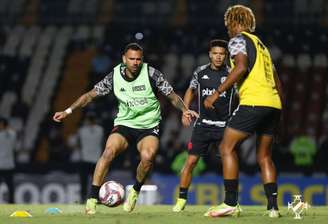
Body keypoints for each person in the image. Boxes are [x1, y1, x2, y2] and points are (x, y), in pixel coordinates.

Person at [53, 43, 198, 215]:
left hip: (148, 126)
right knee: (108, 152)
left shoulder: (152, 74)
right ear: (124, 59)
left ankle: (135, 191)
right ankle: (92, 199)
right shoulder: (114, 75)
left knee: (148, 157)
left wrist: (184, 109)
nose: (135, 62)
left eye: (138, 59)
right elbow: (90, 95)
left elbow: (172, 96)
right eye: (131, 59)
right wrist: (68, 111)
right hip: (124, 124)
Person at [204, 5, 284, 218]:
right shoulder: (263, 47)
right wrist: (279, 116)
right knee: (264, 156)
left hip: (254, 102)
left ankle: (230, 203)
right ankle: (273, 208)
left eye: (228, 25)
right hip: (273, 104)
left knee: (226, 147)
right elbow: (277, 82)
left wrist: (216, 93)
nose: (228, 30)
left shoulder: (238, 39)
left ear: (234, 22)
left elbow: (240, 67)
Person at [172, 39, 236, 212]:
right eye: (215, 53)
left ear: (226, 55)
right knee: (191, 161)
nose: (218, 57)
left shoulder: (232, 73)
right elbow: (191, 90)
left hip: (225, 126)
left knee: (229, 162)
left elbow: (241, 96)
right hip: (203, 125)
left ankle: (231, 202)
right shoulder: (200, 72)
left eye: (222, 54)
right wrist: (185, 110)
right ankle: (181, 200)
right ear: (209, 54)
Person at [76, 113, 104, 203]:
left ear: (87, 121)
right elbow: (103, 143)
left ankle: (83, 199)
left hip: (85, 159)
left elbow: (78, 144)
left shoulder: (81, 130)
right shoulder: (100, 130)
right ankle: (98, 198)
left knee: (83, 181)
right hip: (97, 160)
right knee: (97, 180)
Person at [0, 117, 17, 203]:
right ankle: (12, 202)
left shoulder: (10, 134)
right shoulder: (12, 134)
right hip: (8, 165)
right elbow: (14, 147)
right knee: (10, 186)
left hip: (6, 165)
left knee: (10, 186)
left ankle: (11, 202)